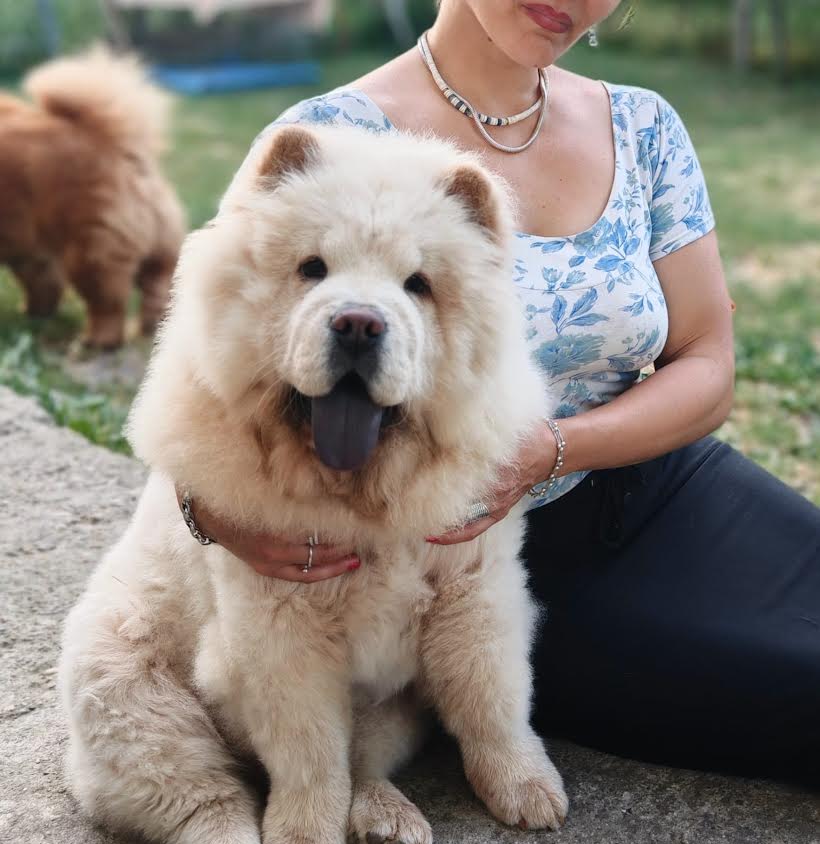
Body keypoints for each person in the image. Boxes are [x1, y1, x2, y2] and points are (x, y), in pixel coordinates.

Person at [180, 0, 820, 786]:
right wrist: (205, 510)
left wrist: (552, 449)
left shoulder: (643, 126)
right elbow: (211, 360)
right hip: (487, 572)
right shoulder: (323, 139)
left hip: (662, 482)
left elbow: (708, 361)